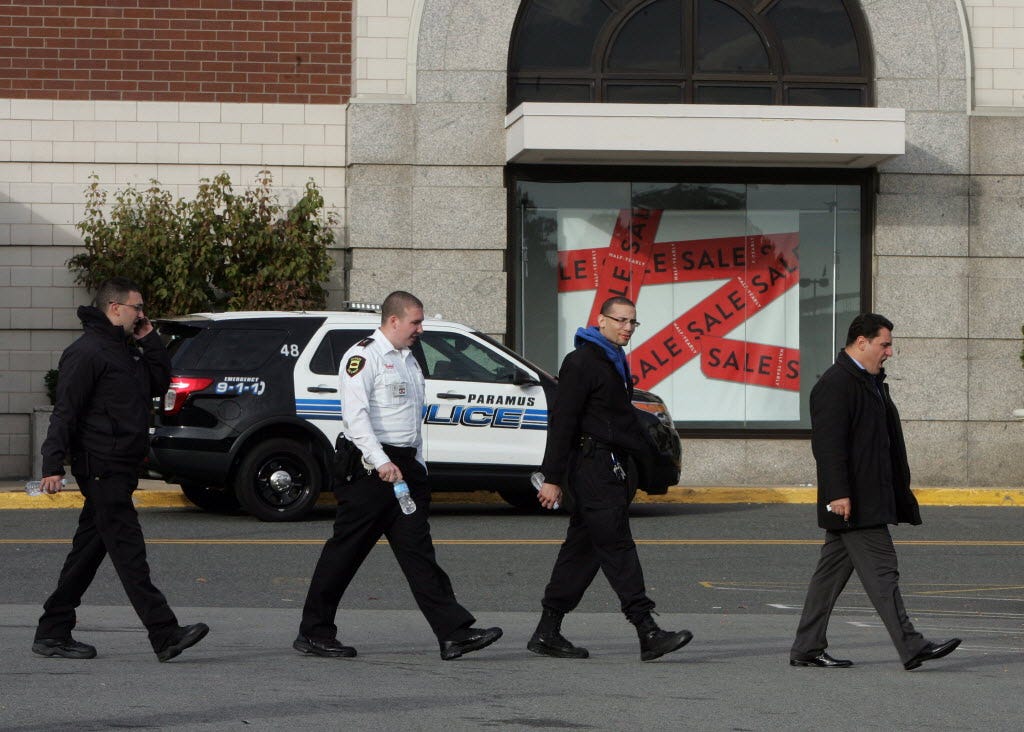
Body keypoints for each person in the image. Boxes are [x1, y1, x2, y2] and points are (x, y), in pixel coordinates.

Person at [294, 290, 502, 660]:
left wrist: (416, 461)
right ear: (394, 321)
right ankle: (314, 632)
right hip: (372, 469)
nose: (420, 329)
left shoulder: (409, 358)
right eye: (415, 322)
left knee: (419, 553)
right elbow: (356, 419)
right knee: (345, 553)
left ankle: (453, 633)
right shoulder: (363, 357)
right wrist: (380, 460)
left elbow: (410, 416)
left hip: (405, 467)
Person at [33, 277, 209, 662]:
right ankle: (164, 633)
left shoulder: (125, 351)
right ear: (115, 308)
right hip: (101, 465)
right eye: (137, 308)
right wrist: (52, 464)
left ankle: (52, 630)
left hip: (121, 465)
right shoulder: (87, 352)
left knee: (88, 551)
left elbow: (159, 383)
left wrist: (149, 342)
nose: (142, 314)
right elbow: (66, 411)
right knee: (130, 553)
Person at [790, 313, 961, 671]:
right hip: (856, 502)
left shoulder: (869, 382)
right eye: (885, 344)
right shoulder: (836, 385)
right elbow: (828, 445)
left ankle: (807, 647)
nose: (890, 352)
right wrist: (838, 494)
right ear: (861, 342)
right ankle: (911, 645)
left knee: (828, 577)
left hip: (867, 497)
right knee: (883, 571)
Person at [529, 296, 692, 662]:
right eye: (620, 321)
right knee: (617, 546)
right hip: (591, 468)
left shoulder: (612, 360)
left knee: (581, 552)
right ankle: (647, 630)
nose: (627, 328)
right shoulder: (582, 362)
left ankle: (546, 631)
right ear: (600, 321)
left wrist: (649, 457)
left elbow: (618, 419)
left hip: (608, 466)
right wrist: (552, 477)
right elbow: (563, 421)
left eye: (633, 322)